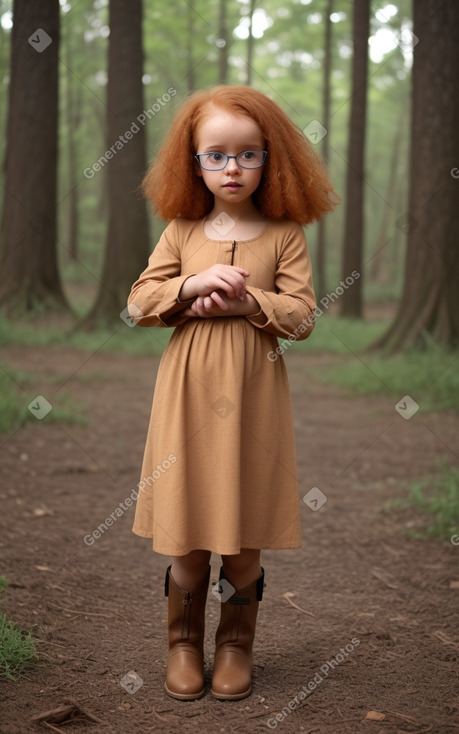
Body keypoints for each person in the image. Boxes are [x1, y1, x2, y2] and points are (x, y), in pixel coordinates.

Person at [127, 85, 338, 701]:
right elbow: (138, 301)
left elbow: (302, 316)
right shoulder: (182, 227)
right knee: (188, 537)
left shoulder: (284, 232)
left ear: (272, 159)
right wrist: (190, 285)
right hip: (187, 392)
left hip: (254, 397)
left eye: (248, 154)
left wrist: (251, 300)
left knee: (244, 543)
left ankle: (235, 644)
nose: (232, 168)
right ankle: (183, 643)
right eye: (215, 155)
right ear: (192, 162)